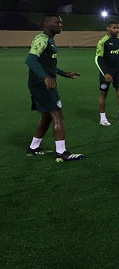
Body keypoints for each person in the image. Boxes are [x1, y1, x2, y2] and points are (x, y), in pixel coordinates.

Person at [25, 14, 85, 162]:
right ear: (46, 24)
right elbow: (30, 60)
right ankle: (62, 153)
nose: (60, 25)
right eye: (57, 22)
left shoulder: (49, 40)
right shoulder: (42, 39)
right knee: (58, 115)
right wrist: (45, 77)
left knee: (47, 116)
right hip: (41, 84)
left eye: (61, 22)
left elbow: (48, 65)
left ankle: (33, 147)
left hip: (40, 82)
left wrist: (64, 73)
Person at [95, 20, 119, 125]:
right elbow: (98, 59)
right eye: (114, 28)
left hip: (117, 70)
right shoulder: (103, 42)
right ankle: (103, 119)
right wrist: (105, 73)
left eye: (118, 28)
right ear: (108, 28)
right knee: (104, 93)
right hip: (106, 71)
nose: (117, 30)